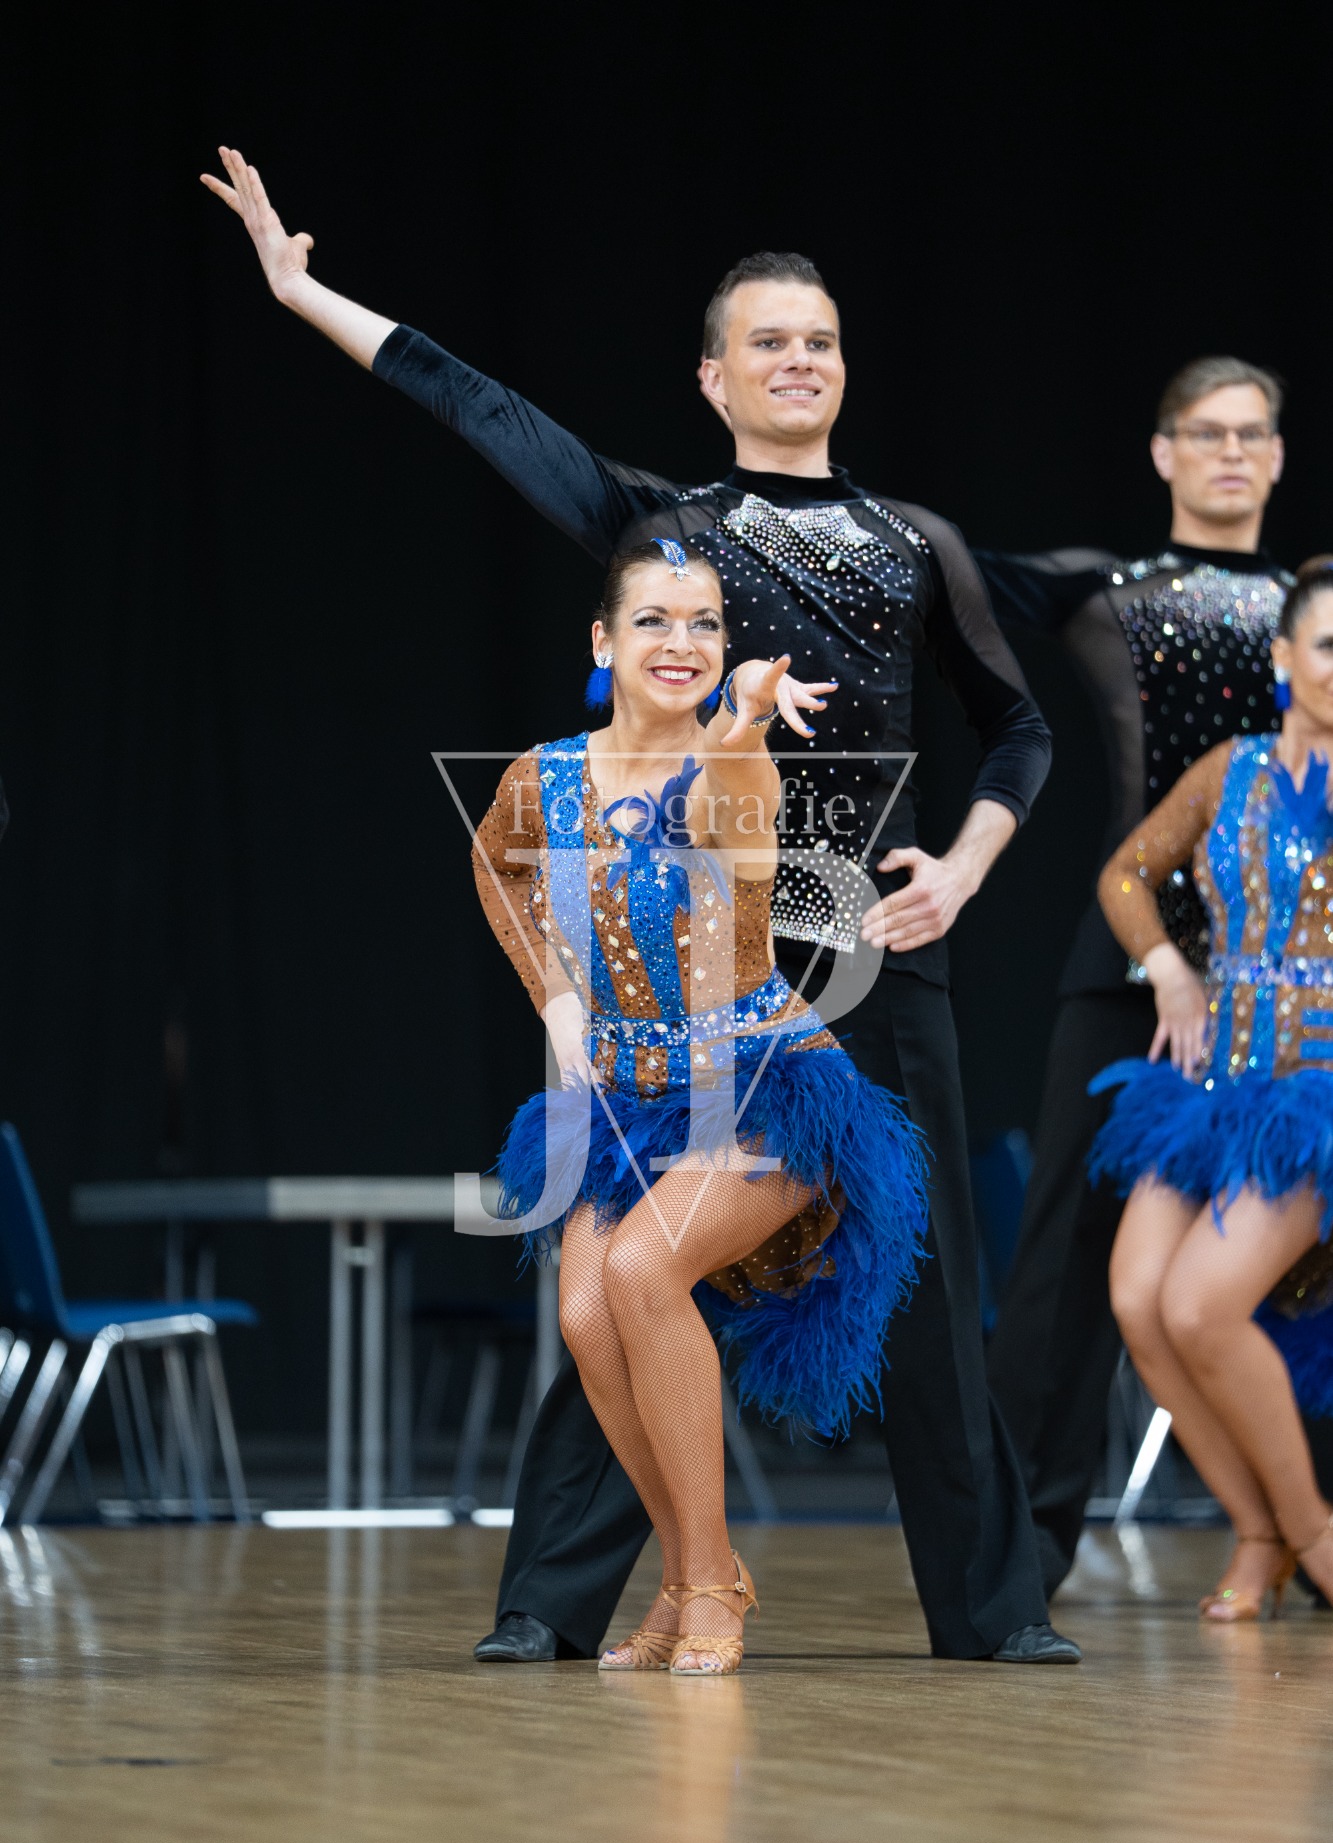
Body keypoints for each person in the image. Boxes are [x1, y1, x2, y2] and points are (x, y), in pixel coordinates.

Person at [202, 147, 1079, 1665]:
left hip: (862, 945)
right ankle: (560, 1601)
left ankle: (994, 1611)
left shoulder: (914, 543)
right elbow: (488, 413)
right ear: (713, 377)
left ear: (843, 368)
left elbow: (1021, 726)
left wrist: (965, 862)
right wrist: (304, 296)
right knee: (619, 1273)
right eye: (768, 340)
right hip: (680, 961)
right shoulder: (669, 528)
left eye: (819, 340)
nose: (798, 360)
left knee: (929, 1284)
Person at [475, 534, 930, 1672]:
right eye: (654, 620)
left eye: (705, 624)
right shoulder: (544, 777)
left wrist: (746, 718)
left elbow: (730, 782)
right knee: (586, 1318)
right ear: (602, 642)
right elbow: (496, 866)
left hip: (769, 1088)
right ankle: (690, 1580)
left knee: (640, 1271)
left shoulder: (739, 764)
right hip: (628, 1105)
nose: (681, 642)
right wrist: (557, 1000)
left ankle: (712, 1585)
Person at [975, 357, 1292, 1595]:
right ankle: (1011, 1557)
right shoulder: (1105, 590)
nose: (1229, 452)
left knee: (1296, 1255)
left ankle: (1299, 1528)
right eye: (1205, 433)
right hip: (1130, 971)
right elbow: (933, 570)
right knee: (1064, 1262)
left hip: (1295, 985)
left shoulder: (1314, 612)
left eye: (1250, 433)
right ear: (1163, 453)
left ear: (1277, 455)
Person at [1086, 556, 1333, 1620]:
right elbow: (1125, 873)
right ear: (1283, 657)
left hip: (1316, 1102)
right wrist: (1168, 966)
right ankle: (1257, 1531)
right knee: (1138, 1300)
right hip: (1211, 1089)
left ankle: (1313, 1530)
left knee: (1199, 1304)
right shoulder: (1230, 768)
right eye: (1327, 644)